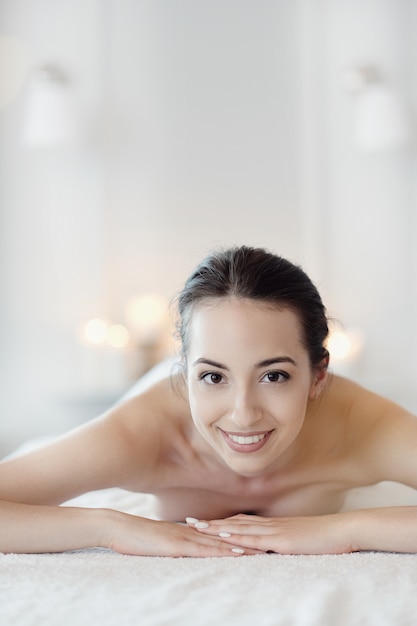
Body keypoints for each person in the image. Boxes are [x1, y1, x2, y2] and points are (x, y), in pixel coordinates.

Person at [1, 245, 417, 557]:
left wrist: (345, 530)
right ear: (185, 373)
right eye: (213, 376)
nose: (243, 413)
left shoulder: (362, 427)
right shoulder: (140, 434)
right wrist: (108, 527)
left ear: (318, 376)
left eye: (274, 376)